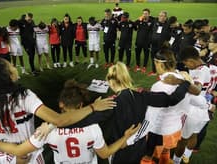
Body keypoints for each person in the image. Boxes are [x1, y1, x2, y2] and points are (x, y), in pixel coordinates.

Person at [0, 58, 115, 163]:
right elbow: (59, 120)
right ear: (9, 76)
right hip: (30, 153)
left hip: (5, 153)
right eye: (11, 67)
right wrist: (93, 107)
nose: (14, 67)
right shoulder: (24, 96)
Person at [67, 61, 197, 164]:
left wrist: (54, 124)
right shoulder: (143, 95)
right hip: (139, 147)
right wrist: (185, 84)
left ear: (111, 82)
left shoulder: (110, 104)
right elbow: (172, 100)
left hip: (120, 149)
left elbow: (83, 121)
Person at [0, 79, 141, 163]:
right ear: (81, 105)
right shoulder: (93, 128)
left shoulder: (45, 129)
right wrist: (126, 137)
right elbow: (105, 154)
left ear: (61, 104)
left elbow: (19, 150)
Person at [141, 49, 208, 164]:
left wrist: (141, 133)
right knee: (165, 153)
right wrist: (209, 105)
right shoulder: (184, 79)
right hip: (175, 130)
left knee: (149, 158)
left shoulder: (158, 86)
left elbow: (151, 115)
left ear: (160, 64)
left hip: (159, 131)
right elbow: (200, 101)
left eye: (155, 63)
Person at [173, 46, 212, 163]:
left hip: (194, 110)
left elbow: (196, 89)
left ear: (191, 60)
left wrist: (181, 80)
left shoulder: (200, 71)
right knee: (194, 134)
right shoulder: (209, 66)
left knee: (182, 140)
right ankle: (187, 155)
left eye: (186, 63)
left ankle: (175, 161)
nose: (186, 66)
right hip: (203, 109)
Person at [149, 11, 170, 76]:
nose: (161, 17)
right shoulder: (155, 22)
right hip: (154, 44)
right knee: (153, 58)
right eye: (160, 16)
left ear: (166, 17)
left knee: (162, 59)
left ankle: (162, 73)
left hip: (162, 45)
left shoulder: (168, 25)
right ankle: (154, 71)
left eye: (163, 16)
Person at [134, 8, 154, 73]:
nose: (144, 15)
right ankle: (138, 65)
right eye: (143, 13)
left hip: (147, 42)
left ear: (149, 14)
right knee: (137, 54)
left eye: (146, 14)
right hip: (138, 41)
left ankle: (144, 66)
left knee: (146, 54)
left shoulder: (152, 21)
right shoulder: (140, 21)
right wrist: (138, 19)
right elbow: (133, 25)